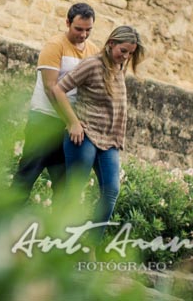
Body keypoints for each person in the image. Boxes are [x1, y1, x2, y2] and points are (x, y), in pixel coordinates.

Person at [50, 25, 145, 248]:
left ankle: (89, 247)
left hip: (109, 141)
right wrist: (72, 122)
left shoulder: (119, 67)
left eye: (130, 53)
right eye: (123, 50)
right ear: (111, 43)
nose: (126, 56)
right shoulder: (92, 64)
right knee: (74, 191)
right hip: (84, 137)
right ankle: (56, 242)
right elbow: (58, 89)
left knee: (111, 191)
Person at [11, 3, 99, 202]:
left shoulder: (93, 51)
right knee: (26, 176)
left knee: (64, 188)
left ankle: (54, 232)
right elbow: (51, 88)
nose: (83, 35)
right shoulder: (55, 45)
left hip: (70, 129)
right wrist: (72, 122)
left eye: (88, 30)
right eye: (78, 29)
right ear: (67, 23)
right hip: (44, 119)